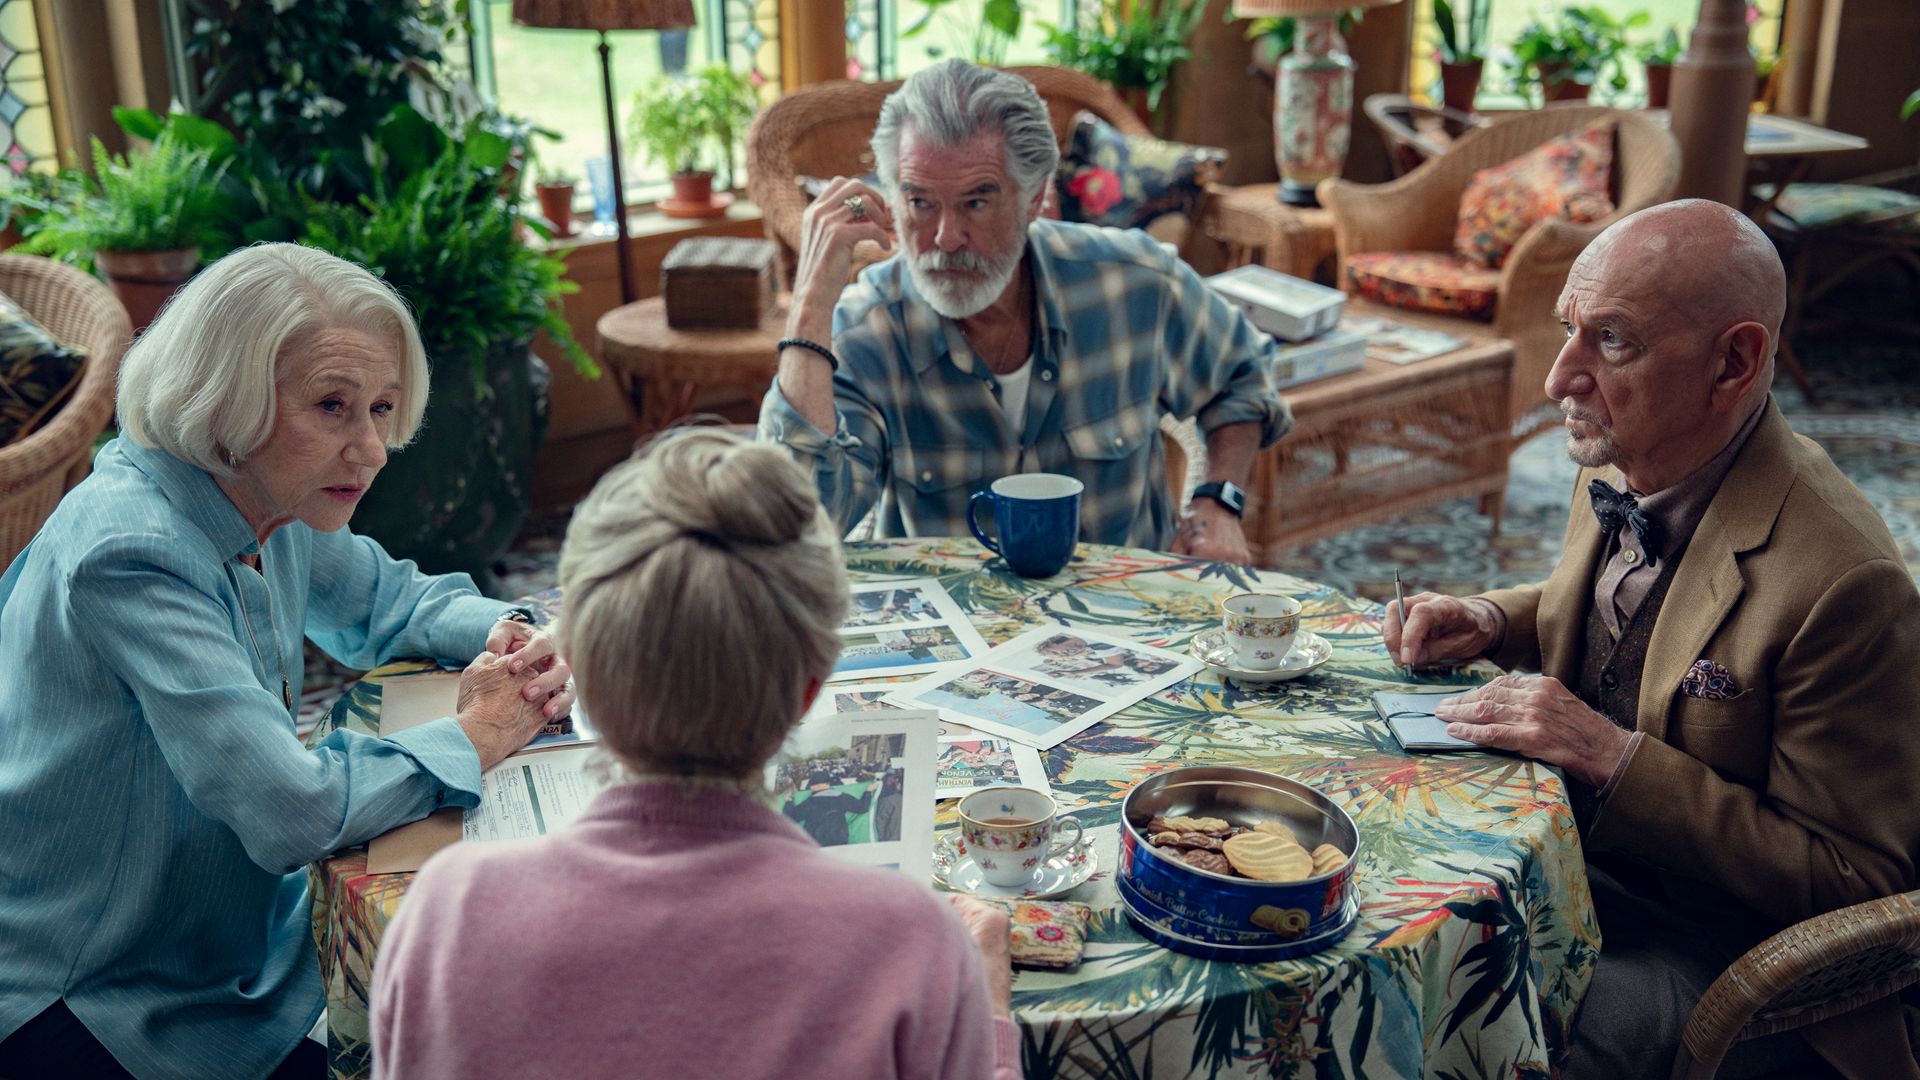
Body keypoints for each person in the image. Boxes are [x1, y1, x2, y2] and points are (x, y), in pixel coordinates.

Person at [0, 243, 572, 1080]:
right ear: (222, 398)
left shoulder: (265, 486)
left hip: (221, 935)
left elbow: (393, 606)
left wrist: (517, 631)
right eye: (332, 406)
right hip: (97, 991)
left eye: (380, 408)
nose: (373, 449)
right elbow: (290, 814)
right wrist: (478, 732)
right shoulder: (131, 551)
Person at [1382, 200, 1920, 1080]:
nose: (1560, 378)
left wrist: (1610, 755)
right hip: (1572, 871)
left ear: (1735, 362)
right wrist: (1491, 619)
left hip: (1725, 951)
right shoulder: (1638, 446)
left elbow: (1858, 882)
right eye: (1568, 330)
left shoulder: (1845, 583)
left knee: (1481, 1032)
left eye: (1613, 341)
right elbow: (1619, 604)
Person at [371, 430, 1021, 1079]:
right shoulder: (910, 941)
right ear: (809, 692)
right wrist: (989, 1012)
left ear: (584, 675)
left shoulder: (447, 914)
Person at [760, 59, 1291, 565]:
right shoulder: (865, 329)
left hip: (1130, 628)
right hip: (954, 645)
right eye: (920, 202)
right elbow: (795, 529)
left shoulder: (1135, 282)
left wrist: (1217, 502)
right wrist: (810, 307)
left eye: (975, 202)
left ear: (1037, 196)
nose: (945, 238)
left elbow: (1243, 376)